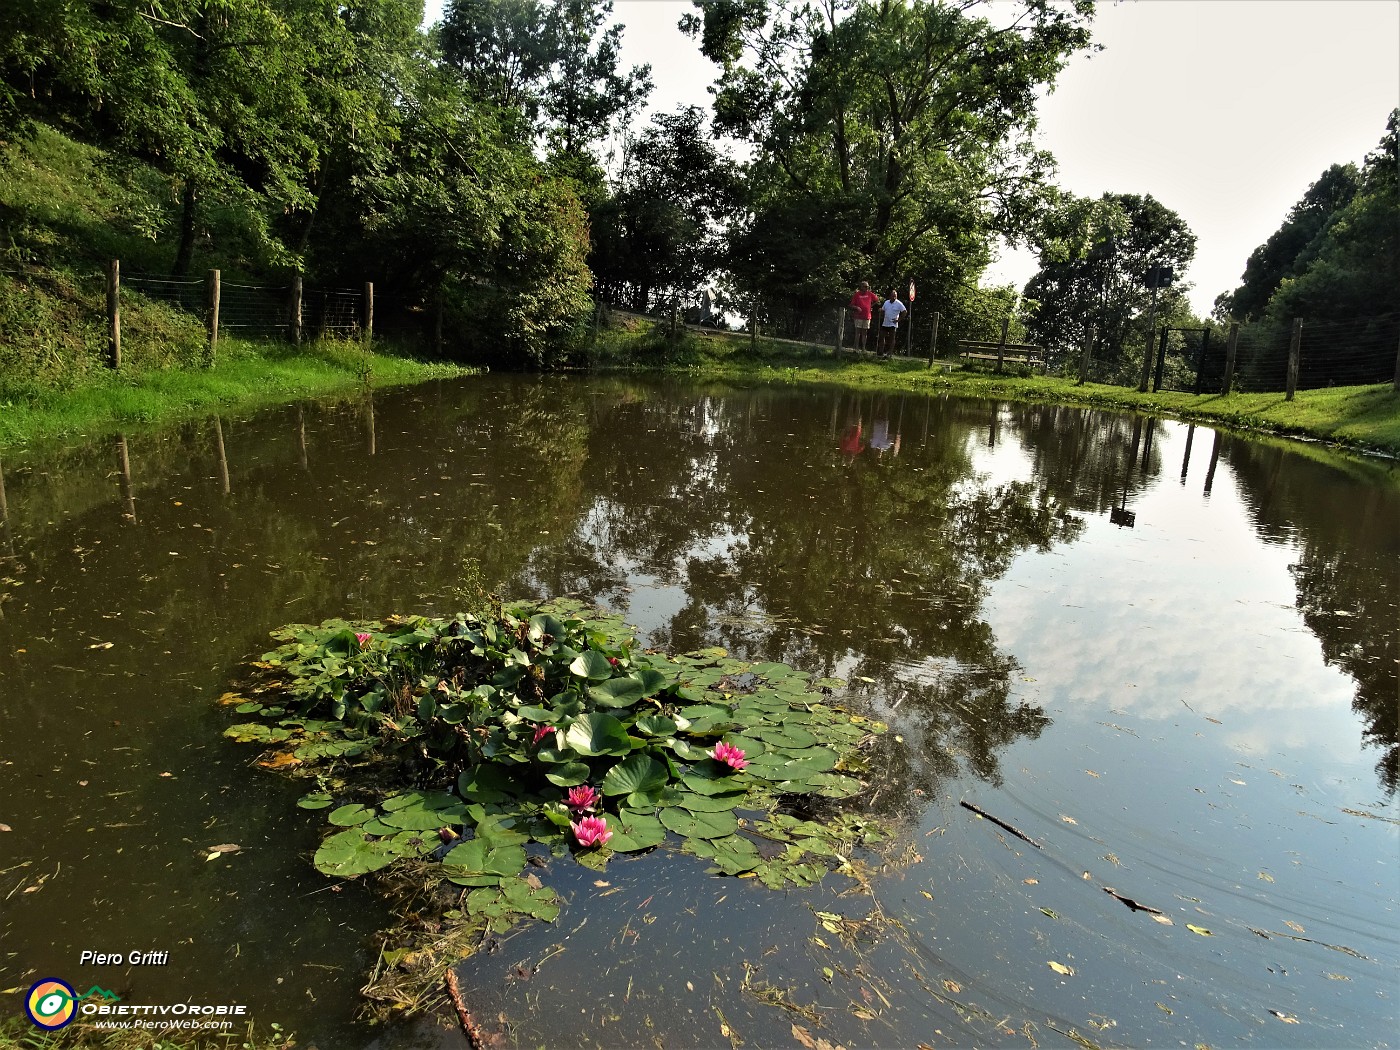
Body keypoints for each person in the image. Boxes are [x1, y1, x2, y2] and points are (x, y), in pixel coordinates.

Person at [847, 281, 879, 354]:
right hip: (858, 316)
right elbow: (851, 305)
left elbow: (877, 300)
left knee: (864, 332)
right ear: (861, 287)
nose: (866, 288)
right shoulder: (857, 294)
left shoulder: (870, 294)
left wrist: (870, 306)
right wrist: (857, 307)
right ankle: (856, 348)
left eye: (867, 287)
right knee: (857, 332)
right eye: (865, 286)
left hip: (867, 316)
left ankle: (863, 348)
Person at [877, 288, 905, 358]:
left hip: (893, 323)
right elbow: (883, 310)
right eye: (893, 296)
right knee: (881, 336)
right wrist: (880, 310)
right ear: (890, 296)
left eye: (895, 296)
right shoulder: (886, 302)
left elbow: (904, 311)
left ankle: (890, 353)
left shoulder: (899, 303)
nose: (894, 297)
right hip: (885, 323)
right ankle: (881, 351)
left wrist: (899, 319)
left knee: (891, 338)